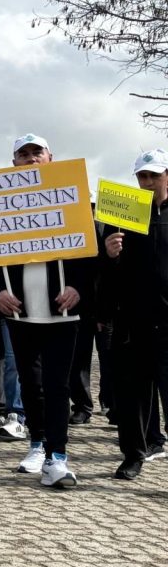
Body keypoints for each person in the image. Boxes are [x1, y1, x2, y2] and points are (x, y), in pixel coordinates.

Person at [0, 134, 86, 488]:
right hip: (20, 312)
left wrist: (78, 287)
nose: (29, 160)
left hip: (62, 312)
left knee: (58, 385)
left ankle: (58, 456)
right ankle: (37, 444)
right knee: (31, 383)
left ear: (50, 158)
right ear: (13, 164)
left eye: (35, 153)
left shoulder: (72, 199)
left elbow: (89, 255)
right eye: (22, 155)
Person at [99, 149, 168, 480]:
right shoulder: (123, 212)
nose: (148, 181)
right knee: (131, 398)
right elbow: (106, 273)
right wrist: (110, 255)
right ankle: (133, 455)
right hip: (132, 323)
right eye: (142, 176)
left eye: (154, 175)